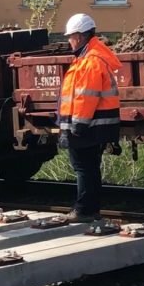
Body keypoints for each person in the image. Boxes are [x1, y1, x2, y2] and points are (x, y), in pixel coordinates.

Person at [56, 13, 122, 223]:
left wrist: (78, 126)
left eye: (71, 36)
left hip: (88, 125)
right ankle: (90, 209)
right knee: (90, 167)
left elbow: (86, 96)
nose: (69, 40)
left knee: (83, 167)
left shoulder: (90, 61)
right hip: (94, 124)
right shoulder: (90, 57)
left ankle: (84, 210)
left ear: (81, 36)